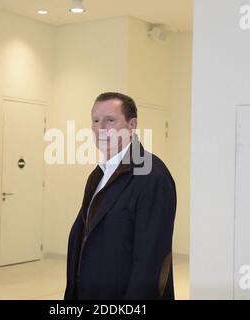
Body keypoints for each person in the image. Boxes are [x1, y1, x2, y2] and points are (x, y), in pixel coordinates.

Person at [64, 92, 177, 300]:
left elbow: (150, 261)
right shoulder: (98, 175)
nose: (100, 128)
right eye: (95, 121)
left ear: (132, 125)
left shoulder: (152, 176)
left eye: (110, 120)